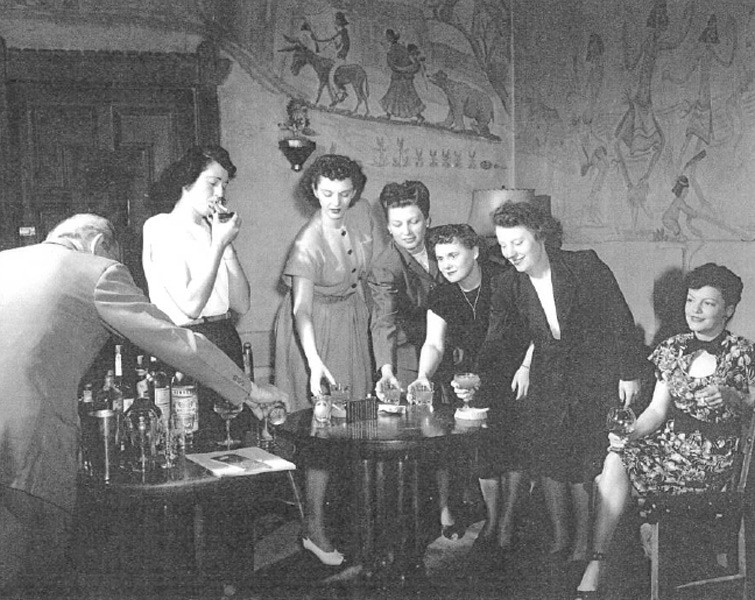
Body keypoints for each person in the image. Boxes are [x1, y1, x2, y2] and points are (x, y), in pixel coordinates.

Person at [0, 214, 288, 597]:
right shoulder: (99, 271)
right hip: (26, 445)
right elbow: (172, 340)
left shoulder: (7, 260)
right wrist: (249, 389)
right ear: (100, 245)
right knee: (30, 572)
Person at [469, 202, 644, 566]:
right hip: (548, 377)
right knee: (548, 458)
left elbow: (620, 319)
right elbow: (496, 340)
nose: (510, 253)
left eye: (517, 243)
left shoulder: (584, 266)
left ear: (540, 235)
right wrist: (476, 381)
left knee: (582, 462)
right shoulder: (507, 284)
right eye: (502, 245)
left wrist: (629, 371)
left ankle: (583, 543)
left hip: (593, 374)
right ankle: (561, 538)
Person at [574, 263, 754, 600]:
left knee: (615, 474)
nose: (695, 311)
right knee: (617, 455)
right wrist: (631, 434)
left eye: (708, 303)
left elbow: (751, 409)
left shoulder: (743, 353)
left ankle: (648, 536)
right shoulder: (672, 348)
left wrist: (734, 397)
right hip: (670, 446)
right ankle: (597, 562)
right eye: (690, 300)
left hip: (713, 459)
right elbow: (656, 412)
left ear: (728, 309)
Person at [274, 154, 381, 565]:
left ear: (355, 192)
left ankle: (358, 522)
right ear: (314, 191)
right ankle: (314, 531)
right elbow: (301, 309)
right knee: (322, 432)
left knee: (360, 422)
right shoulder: (308, 242)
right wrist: (314, 361)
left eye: (344, 193)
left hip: (351, 320)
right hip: (314, 331)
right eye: (327, 193)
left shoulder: (362, 214)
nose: (336, 201)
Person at [408, 224, 528, 546]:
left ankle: (508, 521)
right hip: (475, 375)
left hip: (517, 371)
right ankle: (493, 518)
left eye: (453, 255)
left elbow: (536, 328)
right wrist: (423, 376)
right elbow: (434, 343)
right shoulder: (442, 294)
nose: (446, 264)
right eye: (440, 257)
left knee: (514, 448)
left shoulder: (506, 280)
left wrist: (527, 366)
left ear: (474, 251)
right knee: (484, 453)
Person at [142, 145, 252, 443]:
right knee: (199, 441)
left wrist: (226, 245)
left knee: (235, 440)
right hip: (188, 345)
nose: (219, 193)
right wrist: (218, 244)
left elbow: (242, 304)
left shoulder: (212, 230)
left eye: (224, 185)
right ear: (186, 182)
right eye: (212, 182)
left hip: (225, 337)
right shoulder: (161, 227)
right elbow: (191, 305)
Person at [369, 180, 445, 391]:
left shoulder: (445, 245)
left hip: (451, 350)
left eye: (414, 222)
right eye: (397, 224)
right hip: (409, 357)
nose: (407, 232)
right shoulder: (385, 267)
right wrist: (386, 371)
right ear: (388, 227)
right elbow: (384, 321)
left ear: (428, 220)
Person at [379, 29, 426, 122]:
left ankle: (419, 116)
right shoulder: (399, 46)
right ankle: (388, 114)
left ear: (391, 38)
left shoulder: (395, 48)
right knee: (396, 95)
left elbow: (393, 63)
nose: (387, 38)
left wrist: (388, 55)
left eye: (388, 36)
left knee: (404, 96)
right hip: (401, 76)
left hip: (401, 76)